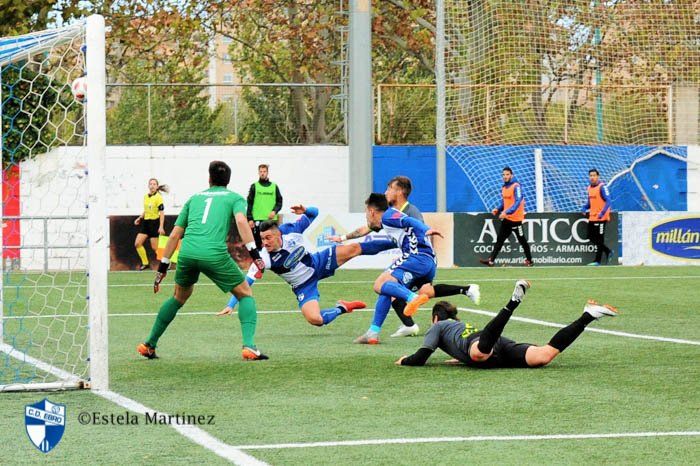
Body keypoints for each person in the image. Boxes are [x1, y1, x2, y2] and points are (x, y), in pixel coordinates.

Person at [137, 161, 269, 361]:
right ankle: (249, 346)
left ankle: (149, 344)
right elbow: (242, 221)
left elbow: (174, 235)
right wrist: (256, 255)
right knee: (245, 293)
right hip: (214, 254)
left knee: (178, 298)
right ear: (228, 181)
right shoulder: (235, 198)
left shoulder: (194, 199)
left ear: (209, 179)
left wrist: (163, 267)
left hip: (187, 253)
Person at [218, 205, 395, 327]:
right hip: (303, 285)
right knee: (315, 319)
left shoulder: (292, 230)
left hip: (318, 263)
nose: (264, 243)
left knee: (354, 248)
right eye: (262, 239)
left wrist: (306, 210)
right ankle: (343, 307)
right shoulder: (264, 257)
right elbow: (246, 282)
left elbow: (314, 213)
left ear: (278, 234)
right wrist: (231, 304)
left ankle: (397, 242)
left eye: (268, 238)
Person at [396, 280, 618, 368]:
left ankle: (512, 303)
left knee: (478, 353)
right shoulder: (458, 325)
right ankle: (587, 316)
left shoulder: (437, 327)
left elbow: (422, 357)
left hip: (483, 345)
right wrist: (458, 358)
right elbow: (459, 345)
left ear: (435, 318)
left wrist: (405, 360)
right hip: (496, 344)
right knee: (544, 356)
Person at [383, 176, 480, 338]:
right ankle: (467, 289)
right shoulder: (395, 213)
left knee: (391, 287)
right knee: (425, 290)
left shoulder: (410, 211)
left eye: (390, 188)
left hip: (419, 258)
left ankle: (409, 325)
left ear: (400, 191)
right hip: (418, 259)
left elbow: (421, 231)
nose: (386, 192)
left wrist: (412, 255)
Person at [354, 193, 442, 345]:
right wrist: (342, 238)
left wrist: (426, 228)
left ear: (371, 211)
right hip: (429, 263)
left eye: (366, 213)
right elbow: (367, 230)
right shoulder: (389, 219)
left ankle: (411, 298)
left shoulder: (388, 215)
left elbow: (409, 220)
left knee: (379, 284)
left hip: (416, 257)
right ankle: (373, 333)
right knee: (387, 288)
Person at [479, 167, 533, 267]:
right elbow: (504, 202)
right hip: (507, 219)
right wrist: (498, 209)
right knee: (499, 240)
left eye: (507, 174)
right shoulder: (504, 187)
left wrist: (507, 212)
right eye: (503, 175)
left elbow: (518, 201)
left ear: (511, 175)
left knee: (523, 242)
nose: (505, 176)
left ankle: (529, 260)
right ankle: (491, 260)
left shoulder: (516, 186)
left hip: (516, 220)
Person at [134, 178, 168, 271]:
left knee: (155, 247)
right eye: (151, 184)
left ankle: (166, 262)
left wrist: (161, 226)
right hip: (146, 223)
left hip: (154, 223)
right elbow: (146, 210)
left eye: (154, 184)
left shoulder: (158, 197)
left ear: (157, 187)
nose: (152, 186)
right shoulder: (145, 197)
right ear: (148, 186)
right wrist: (140, 218)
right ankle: (145, 263)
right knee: (137, 243)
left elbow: (161, 213)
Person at [247, 164, 283, 249]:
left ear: (267, 172)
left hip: (271, 220)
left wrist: (274, 211)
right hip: (257, 220)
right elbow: (249, 203)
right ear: (258, 173)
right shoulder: (254, 186)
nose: (262, 173)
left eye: (264, 171)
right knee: (258, 243)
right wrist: (250, 219)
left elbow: (279, 202)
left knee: (273, 242)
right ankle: (261, 261)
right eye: (261, 172)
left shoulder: (274, 186)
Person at [583, 168, 612, 266]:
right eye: (590, 175)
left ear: (598, 176)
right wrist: (584, 207)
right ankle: (608, 251)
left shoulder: (602, 187)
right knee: (590, 237)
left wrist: (602, 213)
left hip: (601, 218)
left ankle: (597, 261)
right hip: (592, 217)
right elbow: (590, 202)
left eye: (594, 175)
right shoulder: (589, 188)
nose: (592, 177)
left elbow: (608, 201)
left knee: (599, 239)